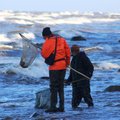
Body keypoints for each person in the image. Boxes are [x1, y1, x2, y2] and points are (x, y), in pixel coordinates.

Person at [41, 27, 71, 112]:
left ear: (46, 36)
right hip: (63, 66)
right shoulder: (62, 39)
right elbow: (68, 52)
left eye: (43, 37)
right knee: (61, 87)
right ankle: (62, 107)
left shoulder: (48, 41)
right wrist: (67, 63)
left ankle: (53, 107)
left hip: (54, 67)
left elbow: (44, 54)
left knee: (53, 87)